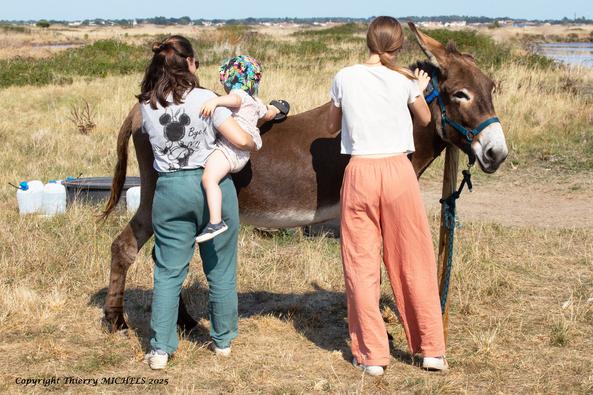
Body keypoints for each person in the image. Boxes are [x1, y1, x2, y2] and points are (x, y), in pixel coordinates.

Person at [326, 16, 448, 376]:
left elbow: (331, 126)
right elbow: (425, 120)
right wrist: (422, 86)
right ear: (398, 45)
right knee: (413, 259)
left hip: (361, 171)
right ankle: (430, 351)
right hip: (398, 171)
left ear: (368, 40)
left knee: (361, 266)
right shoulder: (405, 79)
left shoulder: (344, 77)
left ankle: (372, 356)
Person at [138, 35, 257, 370]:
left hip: (170, 191)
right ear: (189, 63)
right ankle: (222, 341)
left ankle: (160, 348)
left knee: (167, 272)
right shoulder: (207, 99)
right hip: (211, 186)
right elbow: (240, 140)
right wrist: (253, 135)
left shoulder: (146, 105)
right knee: (220, 269)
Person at [196, 55, 280, 243]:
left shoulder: (237, 95)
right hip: (242, 153)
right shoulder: (255, 101)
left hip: (230, 149)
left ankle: (215, 221)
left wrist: (215, 102)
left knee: (209, 178)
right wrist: (277, 108)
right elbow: (268, 114)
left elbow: (233, 99)